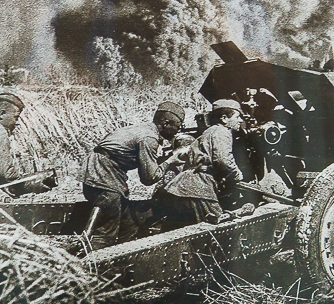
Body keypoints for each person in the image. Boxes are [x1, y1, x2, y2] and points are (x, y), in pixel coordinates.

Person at [77, 101, 186, 249]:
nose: (177, 132)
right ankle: (90, 259)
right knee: (106, 232)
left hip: (99, 172)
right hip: (105, 176)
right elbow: (149, 178)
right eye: (177, 127)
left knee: (129, 225)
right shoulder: (149, 138)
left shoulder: (143, 129)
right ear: (166, 123)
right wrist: (170, 161)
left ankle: (124, 258)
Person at [153, 99, 245, 231]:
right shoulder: (222, 131)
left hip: (184, 185)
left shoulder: (209, 132)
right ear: (224, 118)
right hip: (200, 187)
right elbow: (223, 160)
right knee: (219, 229)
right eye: (237, 117)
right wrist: (236, 175)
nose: (240, 120)